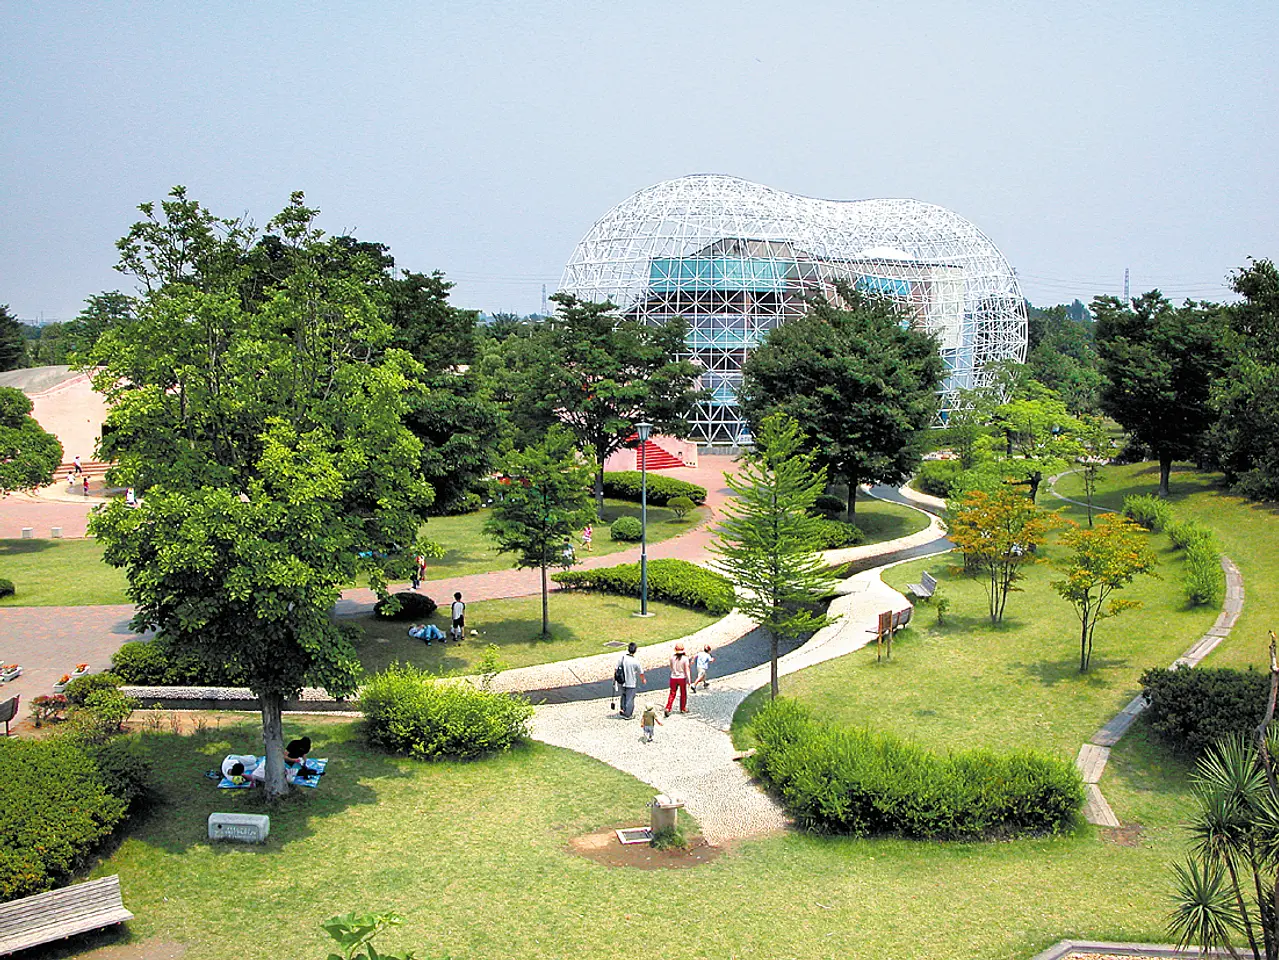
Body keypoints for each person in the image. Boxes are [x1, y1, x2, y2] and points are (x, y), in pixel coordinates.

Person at [616, 642, 646, 719]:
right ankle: (628, 714)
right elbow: (641, 672)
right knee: (630, 698)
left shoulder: (622, 658)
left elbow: (616, 669)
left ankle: (623, 709)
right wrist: (643, 680)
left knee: (623, 696)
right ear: (635, 650)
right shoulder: (635, 661)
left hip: (622, 681)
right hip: (631, 682)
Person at [665, 642, 691, 717]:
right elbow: (687, 670)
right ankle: (682, 708)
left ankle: (668, 707)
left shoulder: (672, 657)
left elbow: (670, 666)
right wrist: (689, 680)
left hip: (673, 677)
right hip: (681, 677)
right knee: (683, 694)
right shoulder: (685, 659)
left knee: (672, 693)